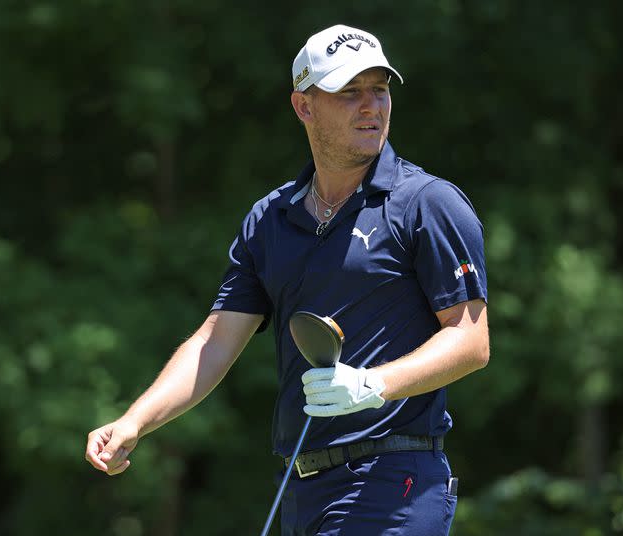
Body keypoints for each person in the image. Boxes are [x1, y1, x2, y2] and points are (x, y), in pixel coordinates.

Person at [85, 24, 489, 535]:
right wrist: (135, 421)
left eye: (380, 89)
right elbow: (214, 340)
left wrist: (371, 385)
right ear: (303, 106)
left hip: (395, 481)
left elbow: (472, 339)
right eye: (349, 92)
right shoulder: (270, 219)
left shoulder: (427, 203)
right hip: (301, 487)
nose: (372, 106)